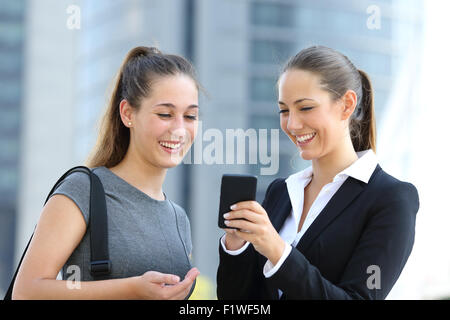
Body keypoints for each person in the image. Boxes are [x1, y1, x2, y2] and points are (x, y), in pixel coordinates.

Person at [217, 45, 419, 300]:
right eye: (284, 110)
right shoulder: (281, 192)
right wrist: (236, 246)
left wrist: (277, 251)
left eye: (305, 108)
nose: (292, 124)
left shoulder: (391, 199)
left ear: (346, 105)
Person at [12, 46, 201, 299]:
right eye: (165, 114)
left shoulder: (179, 219)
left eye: (190, 116)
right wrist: (130, 289)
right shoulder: (83, 190)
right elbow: (27, 291)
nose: (179, 129)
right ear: (127, 114)